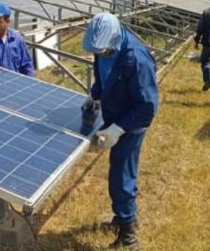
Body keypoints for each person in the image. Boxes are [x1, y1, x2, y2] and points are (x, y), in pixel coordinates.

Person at [81, 12, 159, 249]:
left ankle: (128, 236)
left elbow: (147, 107)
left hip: (131, 124)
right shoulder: (103, 48)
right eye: (97, 51)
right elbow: (103, 78)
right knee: (122, 172)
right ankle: (125, 218)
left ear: (114, 39)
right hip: (116, 115)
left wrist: (118, 128)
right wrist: (94, 95)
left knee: (121, 176)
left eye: (103, 51)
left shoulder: (136, 59)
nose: (100, 54)